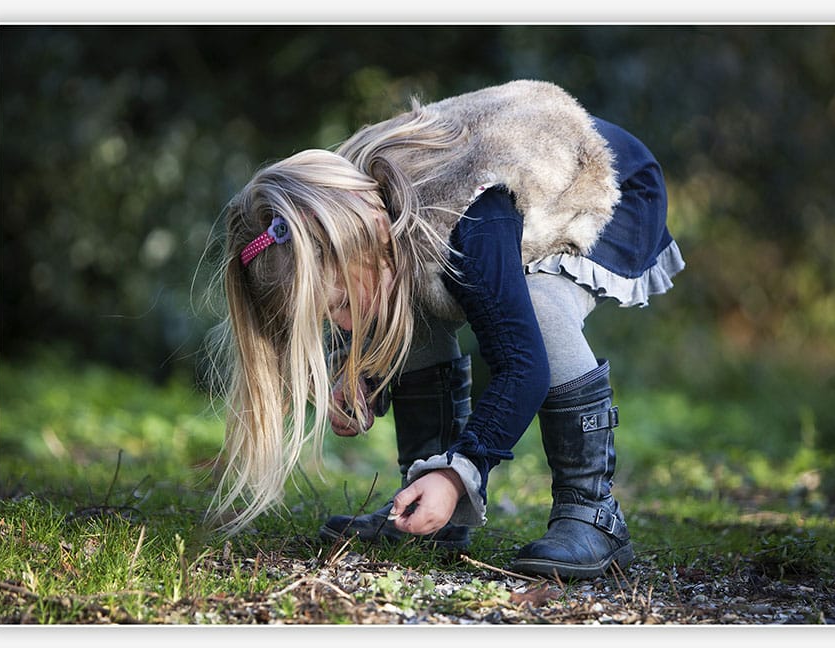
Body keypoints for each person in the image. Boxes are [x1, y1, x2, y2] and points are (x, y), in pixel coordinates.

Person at [207, 79, 685, 580]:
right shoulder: (352, 208)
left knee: (542, 309)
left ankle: (592, 513)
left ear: (367, 233)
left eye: (342, 306)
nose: (344, 324)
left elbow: (524, 368)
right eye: (331, 321)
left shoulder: (467, 229)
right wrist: (359, 370)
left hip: (601, 178)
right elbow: (375, 290)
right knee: (402, 301)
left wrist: (459, 473)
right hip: (482, 204)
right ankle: (425, 512)